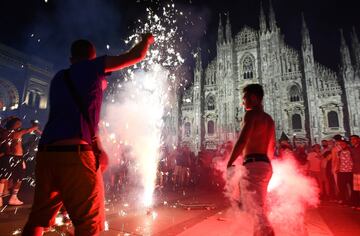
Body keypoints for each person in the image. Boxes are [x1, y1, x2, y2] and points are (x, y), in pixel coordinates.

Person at [22, 34, 154, 236]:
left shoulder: (59, 78)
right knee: (88, 225)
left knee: (37, 219)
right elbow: (135, 55)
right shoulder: (93, 69)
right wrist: (146, 40)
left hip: (47, 153)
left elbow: (80, 117)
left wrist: (98, 147)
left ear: (71, 58)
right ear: (93, 57)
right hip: (75, 156)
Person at [227, 84, 275, 236]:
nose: (243, 102)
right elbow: (272, 148)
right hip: (265, 165)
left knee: (255, 209)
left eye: (245, 97)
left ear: (254, 98)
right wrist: (265, 165)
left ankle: (267, 233)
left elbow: (242, 140)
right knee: (258, 206)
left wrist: (230, 162)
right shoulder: (269, 119)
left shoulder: (251, 115)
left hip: (254, 165)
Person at [0, 117, 40, 207]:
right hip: (16, 158)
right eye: (18, 123)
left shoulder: (4, 132)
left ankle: (1, 199)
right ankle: (12, 198)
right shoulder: (18, 133)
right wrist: (35, 125)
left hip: (8, 157)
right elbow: (31, 129)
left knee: (4, 177)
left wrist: (6, 119)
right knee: (18, 177)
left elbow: (1, 124)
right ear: (13, 125)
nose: (20, 125)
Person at [350, 135, 360, 209]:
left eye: (354, 139)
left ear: (358, 140)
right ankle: (357, 203)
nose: (352, 141)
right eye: (351, 139)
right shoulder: (353, 149)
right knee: (356, 189)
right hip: (355, 170)